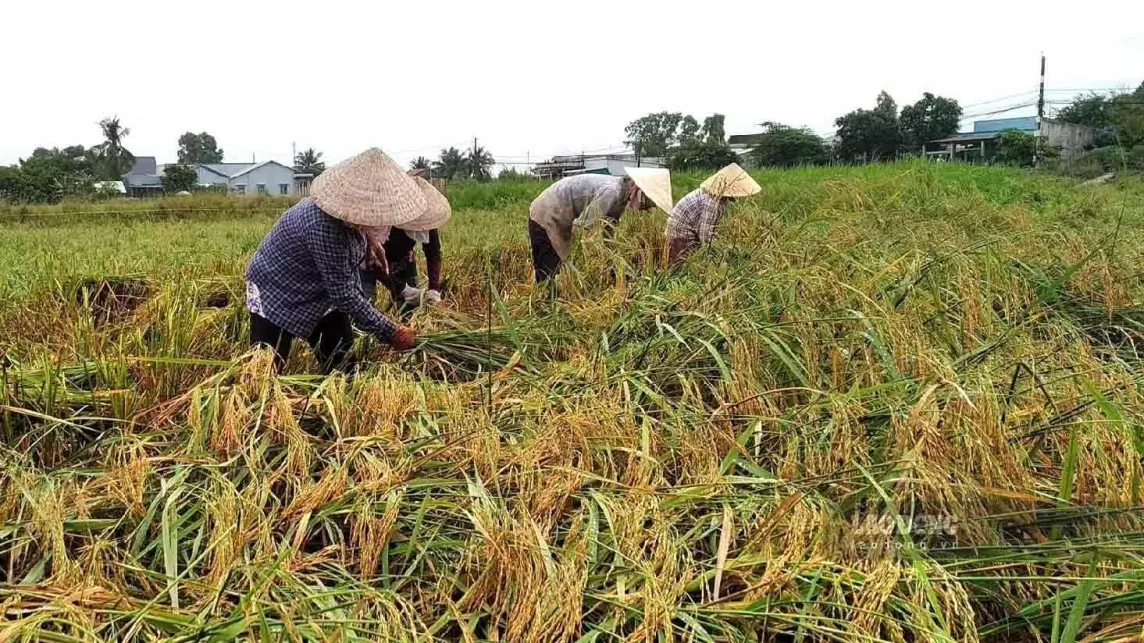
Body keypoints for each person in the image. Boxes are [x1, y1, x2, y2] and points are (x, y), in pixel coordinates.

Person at [244, 148, 426, 373]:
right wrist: (392, 332)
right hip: (276, 290)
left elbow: (356, 228)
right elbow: (344, 295)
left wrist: (370, 242)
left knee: (344, 369)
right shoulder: (325, 228)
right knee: (265, 372)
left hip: (319, 292)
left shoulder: (346, 218)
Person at [528, 168, 673, 283]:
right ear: (639, 191)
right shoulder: (612, 192)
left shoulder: (620, 197)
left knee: (564, 269)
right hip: (547, 214)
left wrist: (613, 263)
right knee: (550, 269)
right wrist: (586, 264)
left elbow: (606, 232)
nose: (647, 208)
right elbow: (582, 229)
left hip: (563, 217)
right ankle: (545, 307)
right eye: (649, 202)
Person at [360, 171, 450, 319]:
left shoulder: (428, 220)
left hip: (404, 259)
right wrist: (402, 288)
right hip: (368, 263)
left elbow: (433, 253)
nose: (420, 226)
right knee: (364, 309)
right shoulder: (385, 221)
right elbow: (374, 262)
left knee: (410, 309)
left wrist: (434, 288)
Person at [664, 163, 761, 266]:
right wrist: (717, 256)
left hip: (688, 232)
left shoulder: (720, 200)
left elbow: (712, 228)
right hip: (680, 236)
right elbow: (705, 236)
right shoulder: (712, 202)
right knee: (683, 268)